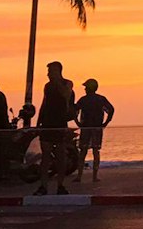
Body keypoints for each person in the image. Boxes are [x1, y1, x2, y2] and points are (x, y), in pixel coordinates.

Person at [34, 60, 74, 195]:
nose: (48, 74)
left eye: (51, 71)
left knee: (61, 156)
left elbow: (66, 95)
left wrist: (57, 81)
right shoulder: (47, 86)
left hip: (60, 123)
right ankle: (43, 186)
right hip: (47, 123)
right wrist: (39, 122)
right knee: (45, 156)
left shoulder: (67, 83)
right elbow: (44, 103)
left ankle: (60, 185)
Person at [73, 78, 114, 184]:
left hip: (87, 127)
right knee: (94, 151)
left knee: (83, 152)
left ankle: (80, 176)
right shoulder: (100, 99)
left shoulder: (84, 99)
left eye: (86, 87)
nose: (85, 89)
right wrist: (106, 123)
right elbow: (111, 110)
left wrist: (77, 122)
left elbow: (75, 110)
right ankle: (93, 176)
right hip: (95, 127)